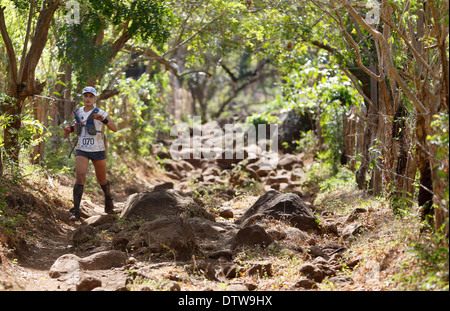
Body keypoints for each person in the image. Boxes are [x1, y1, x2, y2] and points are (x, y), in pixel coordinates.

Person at [64, 86, 118, 221]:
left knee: (102, 179)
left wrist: (103, 120)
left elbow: (114, 128)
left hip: (98, 149)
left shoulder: (101, 112)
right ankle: (75, 211)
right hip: (82, 149)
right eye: (86, 96)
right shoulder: (77, 111)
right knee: (80, 177)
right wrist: (69, 129)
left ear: (94, 98)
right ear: (83, 97)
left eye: (90, 96)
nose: (88, 98)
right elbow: (78, 127)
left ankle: (108, 199)